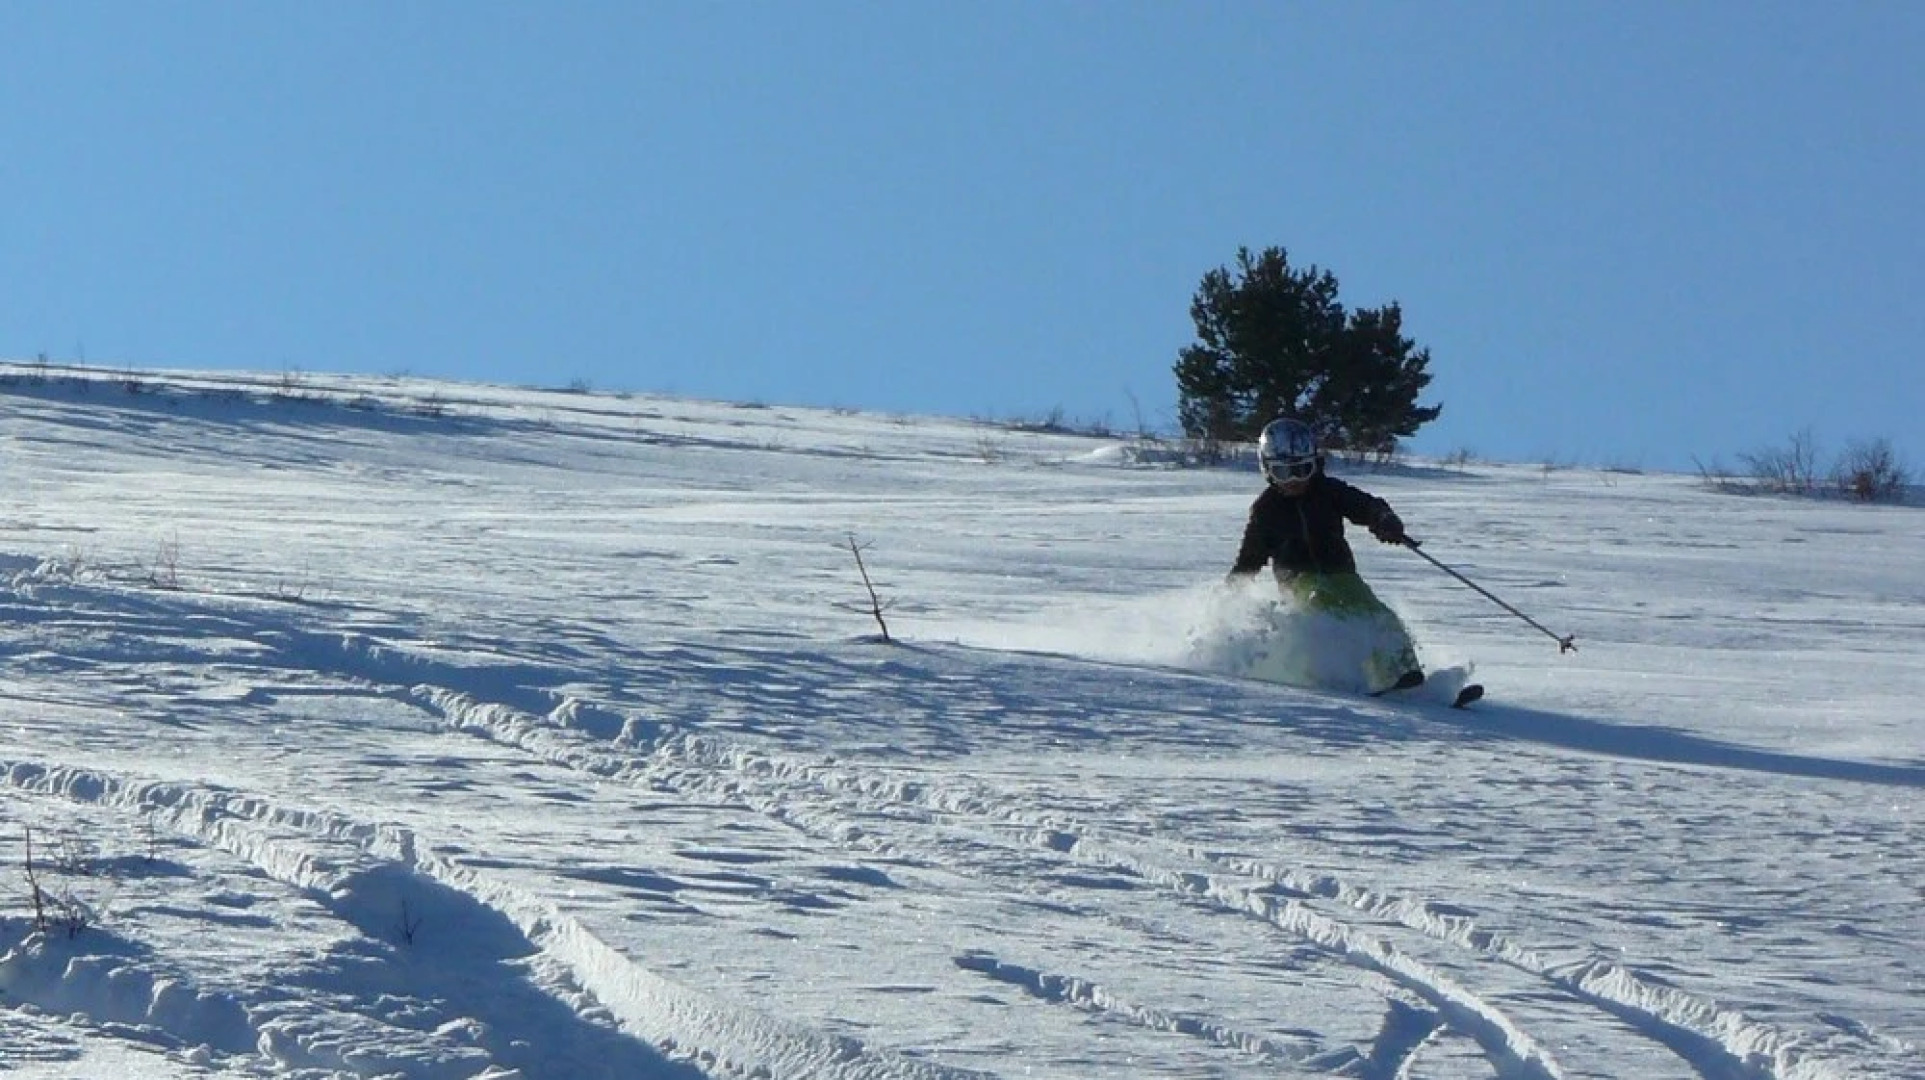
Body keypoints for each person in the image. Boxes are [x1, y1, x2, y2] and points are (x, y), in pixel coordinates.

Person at [1226, 417, 1424, 694]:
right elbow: (1250, 555)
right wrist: (1234, 587)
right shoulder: (1266, 510)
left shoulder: (1328, 491)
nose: (1294, 481)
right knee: (1325, 608)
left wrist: (1383, 520)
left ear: (1314, 465)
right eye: (1284, 473)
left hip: (1342, 574)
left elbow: (1365, 505)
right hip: (1298, 581)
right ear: (1268, 470)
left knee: (1378, 616)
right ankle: (1334, 677)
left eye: (1302, 470)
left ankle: (1402, 675)